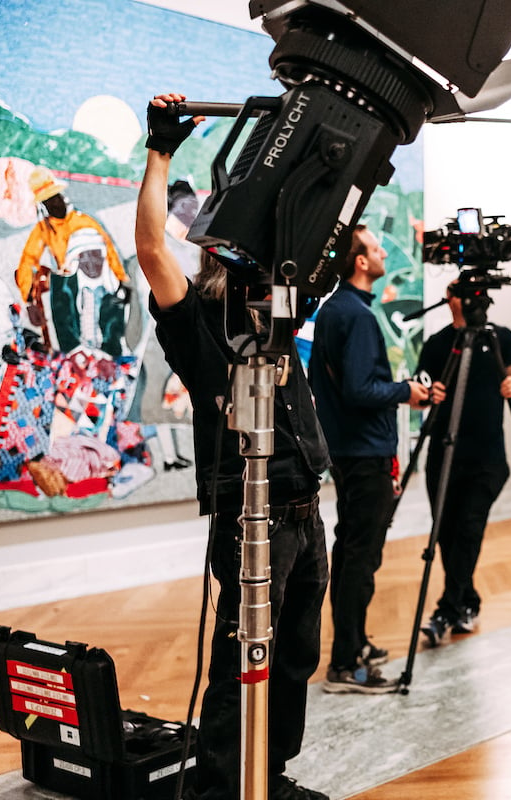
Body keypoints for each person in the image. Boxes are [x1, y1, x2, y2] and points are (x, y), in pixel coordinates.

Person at [135, 93, 330, 800]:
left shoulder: (277, 302)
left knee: (296, 656)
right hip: (252, 514)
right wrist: (161, 151)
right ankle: (222, 787)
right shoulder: (197, 319)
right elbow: (154, 248)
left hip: (307, 505)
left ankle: (268, 775)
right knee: (241, 656)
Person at [308, 224, 430, 692]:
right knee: (359, 556)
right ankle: (345, 666)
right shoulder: (355, 316)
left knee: (354, 551)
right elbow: (361, 389)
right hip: (364, 452)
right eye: (377, 248)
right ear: (360, 261)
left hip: (349, 450)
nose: (382, 253)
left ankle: (353, 643)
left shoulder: (338, 309)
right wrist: (408, 391)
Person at [415, 282, 511, 646]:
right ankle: (468, 601)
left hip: (487, 458)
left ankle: (446, 610)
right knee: (446, 533)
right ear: (452, 299)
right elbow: (418, 394)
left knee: (468, 528)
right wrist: (426, 396)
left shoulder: (500, 338)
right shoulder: (437, 343)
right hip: (444, 455)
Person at [17, 165, 131, 355]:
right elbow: (28, 260)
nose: (54, 204)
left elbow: (109, 250)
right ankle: (72, 352)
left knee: (111, 304)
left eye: (55, 197)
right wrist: (29, 300)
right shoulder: (44, 229)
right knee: (59, 286)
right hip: (68, 283)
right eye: (47, 201)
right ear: (42, 205)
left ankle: (112, 352)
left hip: (97, 279)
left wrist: (121, 279)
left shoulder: (84, 221)